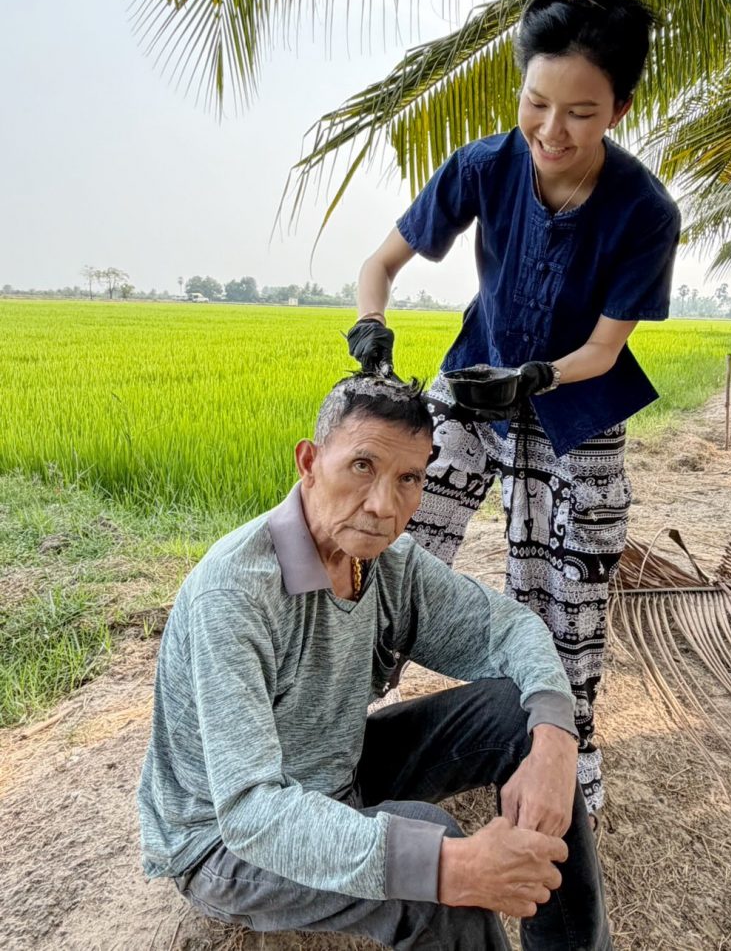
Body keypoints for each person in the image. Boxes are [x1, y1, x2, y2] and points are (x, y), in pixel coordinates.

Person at [348, 0, 681, 817]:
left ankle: (564, 751)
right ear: (521, 88)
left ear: (620, 110)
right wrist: (370, 327)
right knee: (391, 542)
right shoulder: (484, 166)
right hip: (474, 381)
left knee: (566, 582)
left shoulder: (645, 211)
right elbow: (378, 266)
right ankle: (338, 714)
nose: (551, 130)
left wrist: (534, 376)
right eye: (537, 103)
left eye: (581, 112)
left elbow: (604, 350)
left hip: (578, 404)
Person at [137, 375, 612, 950]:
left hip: (338, 769)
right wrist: (451, 868)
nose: (385, 505)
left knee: (523, 711)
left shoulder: (387, 563)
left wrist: (559, 743)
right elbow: (250, 811)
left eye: (408, 478)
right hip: (223, 840)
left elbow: (507, 626)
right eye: (362, 466)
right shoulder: (236, 596)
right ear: (309, 462)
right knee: (433, 860)